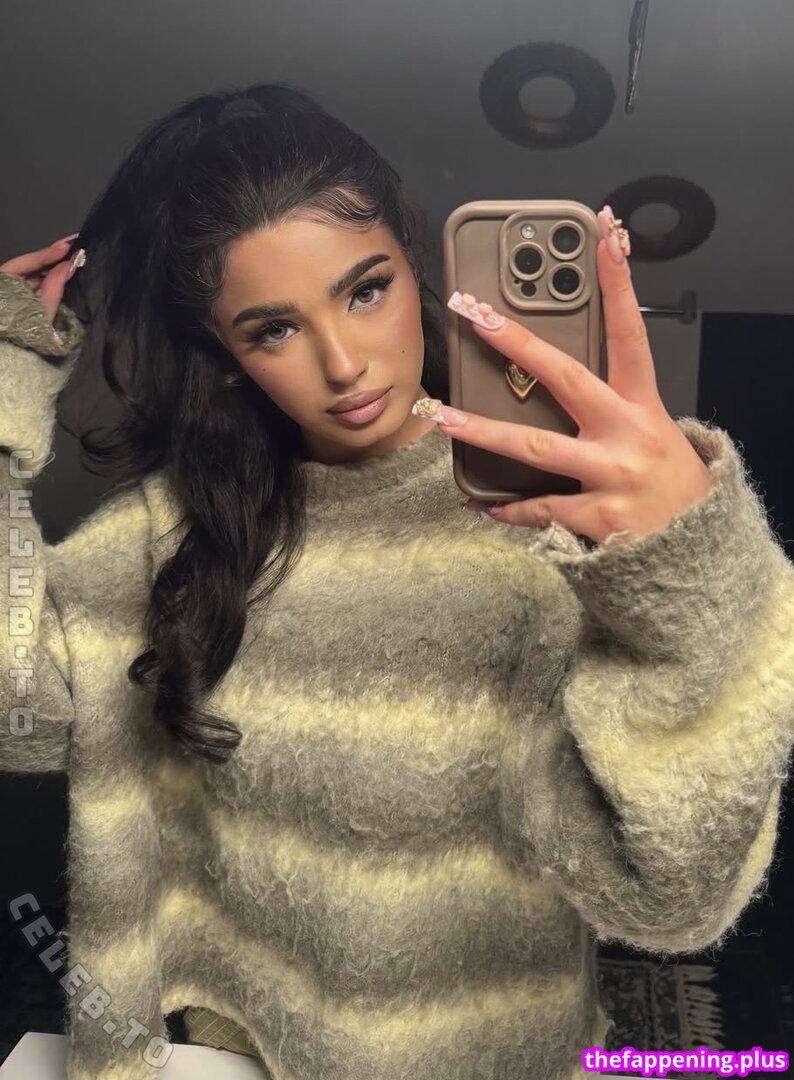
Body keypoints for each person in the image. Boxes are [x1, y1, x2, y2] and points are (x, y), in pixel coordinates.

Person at [1, 81, 793, 1080]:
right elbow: (17, 715)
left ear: (416, 269)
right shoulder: (174, 536)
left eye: (365, 289)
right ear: (228, 355)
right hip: (248, 1051)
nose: (342, 364)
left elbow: (674, 897)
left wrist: (684, 572)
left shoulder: (561, 529)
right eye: (273, 329)